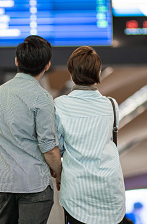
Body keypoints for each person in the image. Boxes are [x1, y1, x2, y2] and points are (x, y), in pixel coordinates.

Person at [0, 35, 62, 224]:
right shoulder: (41, 97)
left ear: (16, 61)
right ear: (47, 65)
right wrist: (60, 172)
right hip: (34, 185)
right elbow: (49, 148)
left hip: (3, 185)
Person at [54, 46, 126, 224]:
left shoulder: (59, 105)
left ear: (71, 73)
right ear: (98, 72)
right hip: (110, 191)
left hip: (77, 193)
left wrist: (59, 173)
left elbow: (59, 147)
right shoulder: (111, 105)